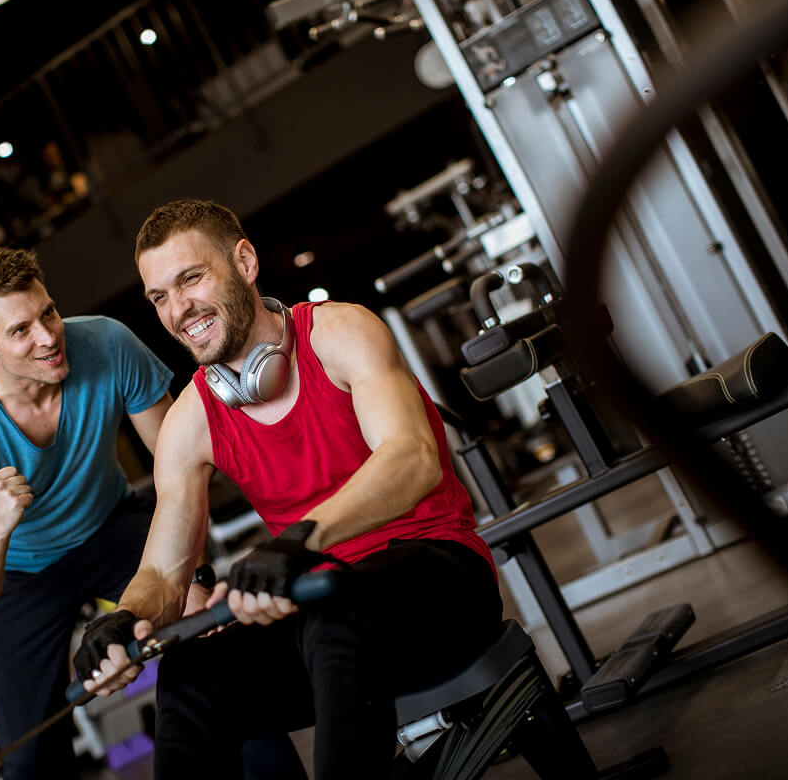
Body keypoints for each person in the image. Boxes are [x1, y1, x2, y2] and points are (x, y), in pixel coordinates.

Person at [73, 200, 503, 778]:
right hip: (323, 618)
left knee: (334, 608)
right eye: (159, 297)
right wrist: (121, 622)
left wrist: (298, 542)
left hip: (440, 583)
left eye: (191, 279)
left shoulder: (339, 332)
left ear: (244, 261)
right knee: (191, 674)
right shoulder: (191, 419)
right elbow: (165, 573)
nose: (178, 310)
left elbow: (413, 460)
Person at [0, 246, 173, 778]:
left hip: (111, 527)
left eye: (49, 313)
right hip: (19, 577)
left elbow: (180, 468)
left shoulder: (107, 342)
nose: (48, 336)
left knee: (215, 651)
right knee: (32, 760)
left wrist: (184, 579)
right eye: (20, 331)